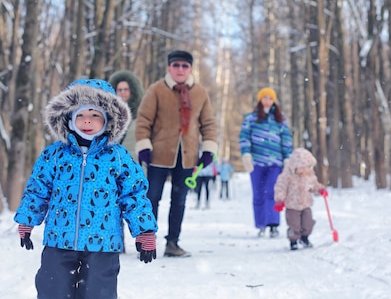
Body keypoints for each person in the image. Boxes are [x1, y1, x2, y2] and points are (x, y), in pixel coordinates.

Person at [14, 79, 158, 299]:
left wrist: (144, 233)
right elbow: (37, 189)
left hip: (103, 240)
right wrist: (27, 222)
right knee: (52, 286)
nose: (87, 121)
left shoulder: (117, 157)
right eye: (80, 114)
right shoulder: (54, 154)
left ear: (108, 120)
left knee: (98, 291)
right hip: (59, 237)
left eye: (95, 115)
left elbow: (135, 194)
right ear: (68, 118)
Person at [135, 50, 218, 257]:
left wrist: (208, 150)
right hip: (159, 155)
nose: (180, 69)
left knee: (179, 200)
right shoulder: (156, 90)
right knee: (152, 198)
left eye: (185, 66)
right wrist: (144, 146)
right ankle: (147, 242)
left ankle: (173, 243)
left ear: (190, 69)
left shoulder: (200, 93)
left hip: (187, 156)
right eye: (176, 65)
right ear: (169, 67)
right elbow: (143, 120)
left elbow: (208, 124)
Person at [238, 87, 293, 238]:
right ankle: (261, 224)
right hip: (256, 163)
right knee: (258, 193)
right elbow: (244, 137)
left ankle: (273, 224)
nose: (267, 101)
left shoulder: (280, 120)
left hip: (275, 163)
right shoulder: (251, 118)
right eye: (264, 98)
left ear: (274, 100)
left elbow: (286, 139)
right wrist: (246, 154)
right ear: (260, 100)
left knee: (273, 192)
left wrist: (287, 157)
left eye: (270, 98)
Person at [273, 147, 327, 250]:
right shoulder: (286, 176)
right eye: (301, 167)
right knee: (294, 225)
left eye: (307, 167)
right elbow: (281, 187)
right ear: (294, 166)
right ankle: (293, 241)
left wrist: (320, 190)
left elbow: (314, 185)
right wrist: (279, 200)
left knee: (308, 223)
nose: (304, 170)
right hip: (292, 206)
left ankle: (304, 238)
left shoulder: (309, 175)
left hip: (306, 204)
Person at [108, 70, 145, 160]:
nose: (122, 92)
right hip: (112, 162)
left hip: (133, 161)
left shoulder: (141, 114)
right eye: (119, 90)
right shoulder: (108, 114)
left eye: (126, 89)